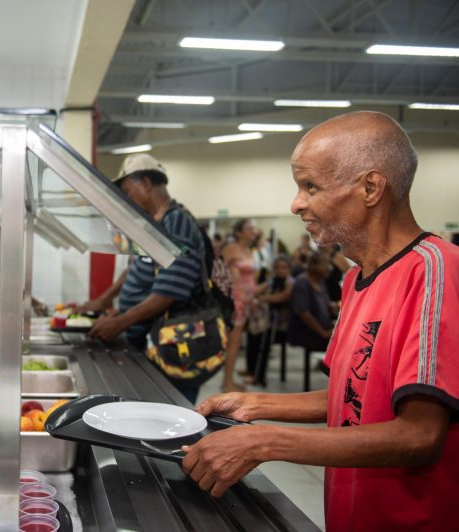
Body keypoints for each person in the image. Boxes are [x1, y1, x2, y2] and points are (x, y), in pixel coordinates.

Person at [181, 111, 458, 530]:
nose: (296, 203)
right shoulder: (355, 280)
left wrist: (264, 441)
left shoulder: (435, 272)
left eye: (310, 186)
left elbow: (420, 435)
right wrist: (259, 405)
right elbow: (353, 398)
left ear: (370, 187)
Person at [81, 154, 207, 402]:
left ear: (146, 183)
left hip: (174, 348)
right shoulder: (154, 226)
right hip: (148, 342)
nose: (126, 201)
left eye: (127, 192)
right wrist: (111, 304)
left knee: (171, 415)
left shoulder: (177, 222)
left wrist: (121, 321)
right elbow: (137, 269)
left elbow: (169, 290)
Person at [244, 255, 295, 386]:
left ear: (289, 269)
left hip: (283, 323)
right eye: (277, 267)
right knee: (252, 333)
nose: (280, 270)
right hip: (270, 320)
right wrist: (253, 295)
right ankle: (251, 370)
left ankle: (259, 376)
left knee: (262, 340)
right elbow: (255, 290)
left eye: (283, 268)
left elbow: (283, 297)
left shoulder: (290, 282)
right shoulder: (273, 280)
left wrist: (262, 299)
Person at [220, 218, 257, 392]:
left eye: (253, 229)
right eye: (249, 229)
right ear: (239, 232)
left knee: (237, 341)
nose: (253, 232)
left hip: (247, 301)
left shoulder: (248, 250)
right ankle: (227, 382)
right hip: (235, 301)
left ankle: (229, 379)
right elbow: (218, 270)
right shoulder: (231, 249)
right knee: (233, 342)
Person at [286, 251, 333, 353]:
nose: (329, 267)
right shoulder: (302, 282)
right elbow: (304, 313)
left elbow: (326, 305)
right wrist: (324, 333)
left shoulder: (321, 281)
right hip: (306, 332)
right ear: (313, 265)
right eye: (325, 264)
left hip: (320, 330)